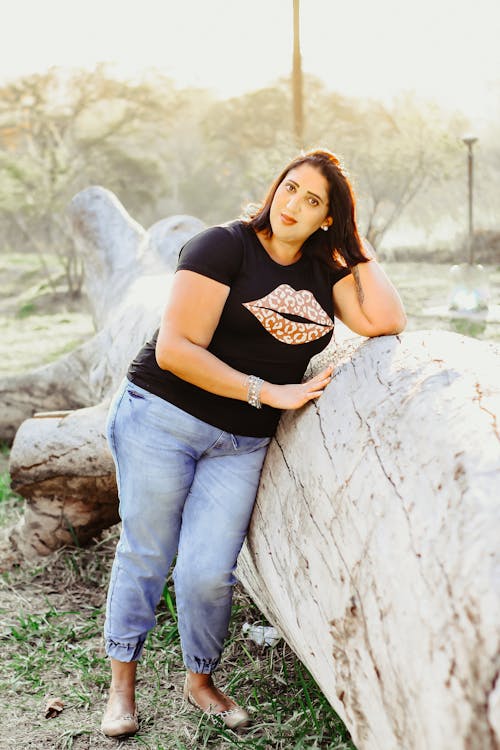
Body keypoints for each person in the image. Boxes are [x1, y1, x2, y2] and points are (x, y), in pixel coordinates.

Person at [100, 148, 407, 737]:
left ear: (328, 219)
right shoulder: (224, 245)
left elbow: (384, 320)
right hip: (162, 419)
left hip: (240, 443)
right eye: (290, 188)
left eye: (314, 201)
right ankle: (121, 687)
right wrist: (269, 392)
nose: (293, 205)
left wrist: (356, 244)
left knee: (209, 572)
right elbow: (175, 350)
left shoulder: (324, 268)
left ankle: (200, 682)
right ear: (275, 188)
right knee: (147, 552)